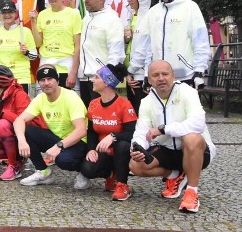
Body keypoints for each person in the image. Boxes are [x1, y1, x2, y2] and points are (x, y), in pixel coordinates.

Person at [130, 60, 216, 213]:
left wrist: (164, 129)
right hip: (168, 149)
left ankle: (191, 192)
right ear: (149, 80)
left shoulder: (188, 92)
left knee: (191, 138)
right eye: (155, 75)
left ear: (173, 76)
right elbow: (141, 132)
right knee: (135, 165)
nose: (161, 78)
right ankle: (176, 174)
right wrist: (137, 147)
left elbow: (198, 124)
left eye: (165, 74)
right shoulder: (146, 102)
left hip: (196, 150)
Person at [128, 0, 209, 89]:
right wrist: (146, 74)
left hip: (184, 76)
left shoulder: (190, 7)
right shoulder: (153, 12)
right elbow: (149, 48)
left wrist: (199, 71)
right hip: (159, 78)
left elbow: (200, 41)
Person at [15, 65, 88, 187]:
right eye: (42, 80)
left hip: (78, 141)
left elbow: (81, 130)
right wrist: (21, 141)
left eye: (50, 79)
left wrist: (59, 146)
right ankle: (43, 172)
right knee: (26, 131)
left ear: (57, 81)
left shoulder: (70, 97)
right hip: (58, 138)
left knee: (63, 160)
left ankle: (84, 172)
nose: (46, 83)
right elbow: (19, 120)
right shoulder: (40, 98)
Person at [78, 63, 137, 200]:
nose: (92, 80)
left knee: (123, 145)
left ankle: (122, 184)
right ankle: (111, 176)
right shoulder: (94, 103)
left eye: (97, 77)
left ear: (106, 82)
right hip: (104, 150)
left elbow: (132, 133)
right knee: (88, 169)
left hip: (121, 150)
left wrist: (113, 136)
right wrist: (91, 149)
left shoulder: (124, 104)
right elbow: (92, 131)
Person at [0, 65, 37, 181]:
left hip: (27, 138)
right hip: (11, 138)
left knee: (3, 124)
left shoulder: (20, 95)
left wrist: (2, 113)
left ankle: (13, 165)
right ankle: (18, 160)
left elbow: (27, 122)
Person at [77, 0, 125, 107]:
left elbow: (117, 53)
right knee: (88, 118)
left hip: (101, 81)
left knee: (101, 119)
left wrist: (105, 79)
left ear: (101, 0)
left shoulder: (112, 19)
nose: (86, 1)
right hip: (84, 78)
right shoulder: (87, 17)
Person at [29, 0, 82, 89]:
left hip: (66, 63)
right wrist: (33, 22)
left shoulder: (74, 14)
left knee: (67, 101)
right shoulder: (43, 14)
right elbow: (38, 43)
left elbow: (78, 46)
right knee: (46, 101)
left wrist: (73, 72)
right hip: (46, 62)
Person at [0, 0, 37, 92]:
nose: (7, 15)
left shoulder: (25, 31)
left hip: (21, 78)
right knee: (4, 106)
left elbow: (34, 56)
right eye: (4, 12)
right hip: (2, 78)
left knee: (22, 106)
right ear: (0, 15)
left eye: (10, 12)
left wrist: (26, 52)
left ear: (15, 13)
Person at [122, 0, 151, 112]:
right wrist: (126, 39)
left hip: (140, 74)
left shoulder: (148, 18)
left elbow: (142, 50)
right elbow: (131, 45)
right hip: (132, 74)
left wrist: (130, 71)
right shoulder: (132, 17)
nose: (128, 0)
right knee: (134, 111)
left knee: (142, 113)